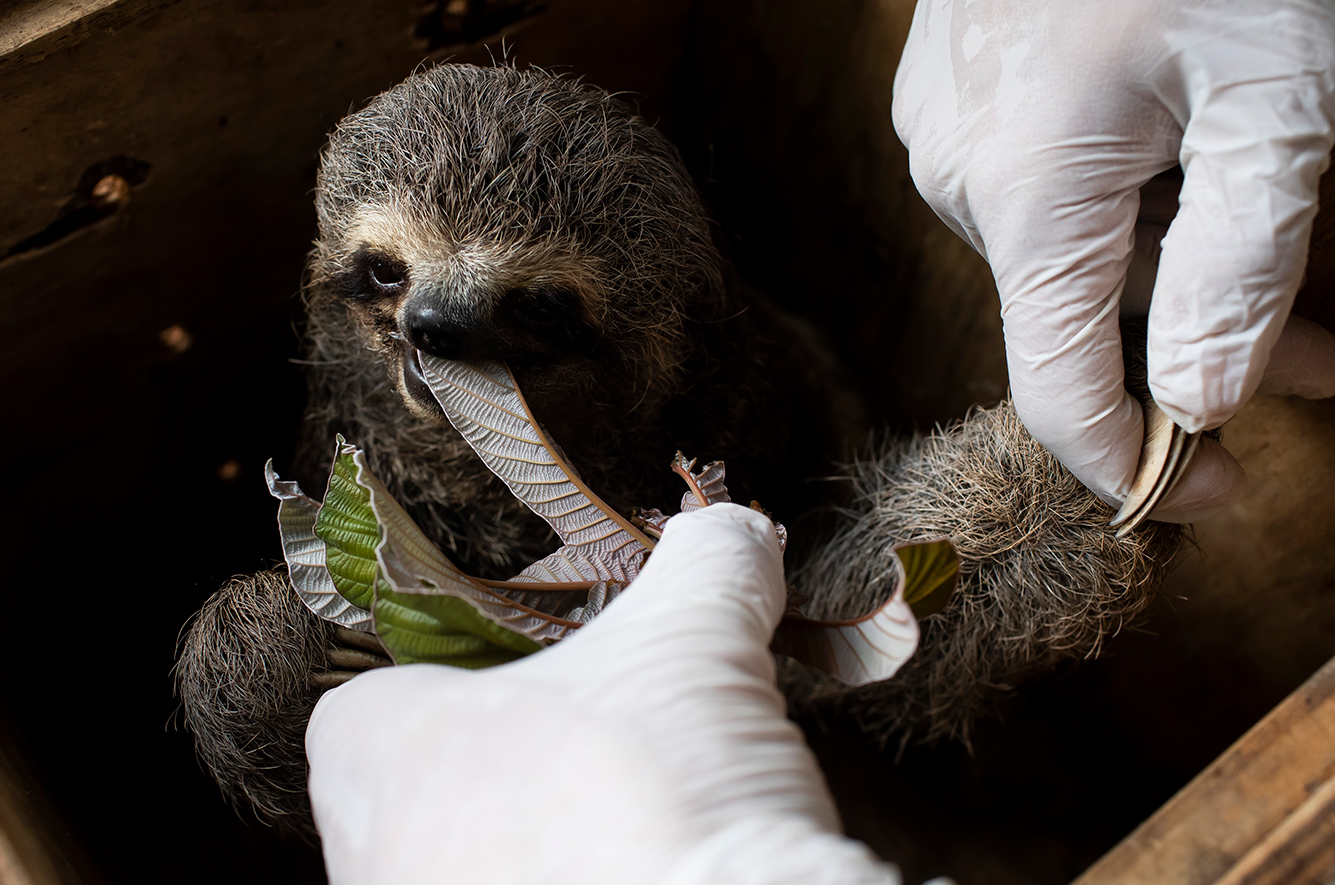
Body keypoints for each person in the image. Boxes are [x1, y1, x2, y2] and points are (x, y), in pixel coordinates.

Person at [306, 3, 1335, 881]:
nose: (431, 325)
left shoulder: (752, 395)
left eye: (536, 307)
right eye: (384, 277)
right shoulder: (343, 466)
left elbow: (851, 623)